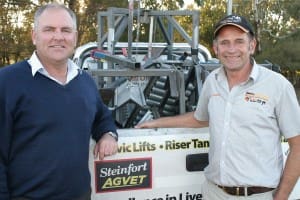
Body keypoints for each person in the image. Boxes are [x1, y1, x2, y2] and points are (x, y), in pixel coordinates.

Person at [136, 14, 300, 200]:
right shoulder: (212, 81)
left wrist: (282, 196)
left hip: (258, 195)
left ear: (251, 46)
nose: (231, 49)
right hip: (214, 193)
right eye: (224, 43)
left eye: (239, 41)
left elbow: (298, 145)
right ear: (215, 48)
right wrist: (156, 123)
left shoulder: (277, 86)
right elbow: (200, 118)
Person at [0, 2, 118, 200]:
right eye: (49, 29)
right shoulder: (7, 82)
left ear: (75, 37)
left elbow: (101, 116)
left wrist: (108, 134)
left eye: (65, 30)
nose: (58, 36)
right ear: (34, 35)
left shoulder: (84, 81)